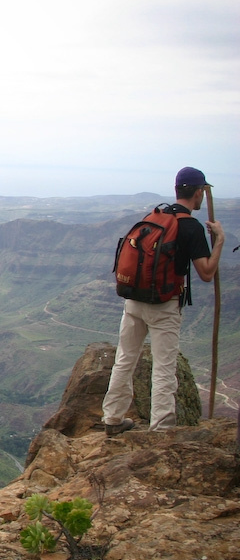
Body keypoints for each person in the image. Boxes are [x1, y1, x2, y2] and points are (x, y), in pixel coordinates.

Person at [102, 167, 225, 435]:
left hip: (134, 301)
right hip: (164, 306)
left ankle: (112, 418)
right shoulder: (190, 227)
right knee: (164, 368)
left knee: (125, 359)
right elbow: (206, 273)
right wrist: (219, 242)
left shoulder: (154, 217)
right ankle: (161, 430)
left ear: (177, 189)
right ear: (199, 192)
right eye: (202, 191)